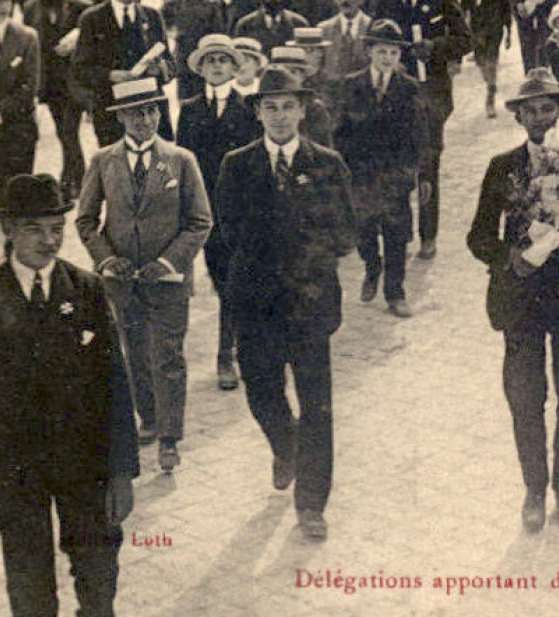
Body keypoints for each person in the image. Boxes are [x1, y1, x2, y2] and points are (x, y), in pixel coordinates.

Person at [0, 173, 139, 617]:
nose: (49, 240)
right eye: (35, 229)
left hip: (83, 460)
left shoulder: (88, 289)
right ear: (8, 230)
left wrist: (122, 471)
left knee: (98, 558)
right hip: (15, 470)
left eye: (56, 227)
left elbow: (116, 383)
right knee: (28, 571)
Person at [213, 65, 356, 541]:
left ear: (302, 110)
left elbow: (344, 233)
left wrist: (302, 262)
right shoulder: (237, 164)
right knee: (263, 392)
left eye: (287, 106)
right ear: (256, 112)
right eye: (269, 107)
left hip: (311, 303)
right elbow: (228, 231)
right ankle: (284, 443)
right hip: (256, 304)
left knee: (318, 405)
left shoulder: (327, 163)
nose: (279, 116)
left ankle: (312, 504)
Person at [467, 69, 559, 534]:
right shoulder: (503, 167)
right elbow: (478, 237)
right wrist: (513, 259)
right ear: (519, 117)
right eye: (532, 110)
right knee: (526, 398)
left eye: (549, 108)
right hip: (520, 298)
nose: (542, 117)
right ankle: (533, 489)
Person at [75, 75, 213, 474]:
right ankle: (149, 419)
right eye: (136, 113)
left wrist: (169, 262)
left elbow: (200, 221)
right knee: (134, 352)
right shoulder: (103, 161)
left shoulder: (181, 160)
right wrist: (105, 259)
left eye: (151, 111)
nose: (145, 120)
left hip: (167, 281)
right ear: (121, 118)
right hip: (122, 282)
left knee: (168, 356)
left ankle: (170, 439)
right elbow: (85, 219)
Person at [372, 0, 473, 262]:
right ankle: (397, 234)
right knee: (397, 162)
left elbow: (464, 40)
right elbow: (374, 40)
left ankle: (428, 235)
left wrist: (434, 48)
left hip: (432, 91)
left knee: (428, 163)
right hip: (395, 91)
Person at [174, 33, 259, 391]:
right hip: (200, 212)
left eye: (223, 60)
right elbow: (181, 162)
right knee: (197, 278)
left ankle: (228, 354)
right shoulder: (191, 110)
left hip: (234, 212)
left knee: (229, 283)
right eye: (210, 61)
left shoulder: (248, 108)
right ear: (201, 68)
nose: (217, 66)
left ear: (234, 66)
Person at [333, 19, 428, 320]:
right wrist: (343, 169)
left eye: (394, 53)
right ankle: (372, 267)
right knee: (364, 230)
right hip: (360, 173)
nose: (388, 58)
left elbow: (418, 135)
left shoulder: (409, 87)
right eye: (382, 51)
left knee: (397, 233)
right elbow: (341, 130)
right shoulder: (352, 83)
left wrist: (416, 173)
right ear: (370, 51)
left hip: (394, 175)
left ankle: (395, 291)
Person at [71, 0, 175, 147]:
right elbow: (80, 70)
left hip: (151, 111)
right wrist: (111, 75)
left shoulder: (152, 17)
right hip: (112, 114)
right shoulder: (92, 19)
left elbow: (171, 65)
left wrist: (159, 69)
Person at [22, 0, 95, 196]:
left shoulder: (81, 7)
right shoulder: (31, 8)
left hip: (75, 80)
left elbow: (95, 38)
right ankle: (75, 179)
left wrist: (78, 38)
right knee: (64, 132)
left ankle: (75, 180)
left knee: (69, 130)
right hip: (50, 83)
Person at [0, 0, 41, 191]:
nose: (2, 6)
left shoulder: (26, 37)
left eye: (7, 0)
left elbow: (30, 85)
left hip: (17, 128)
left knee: (17, 194)